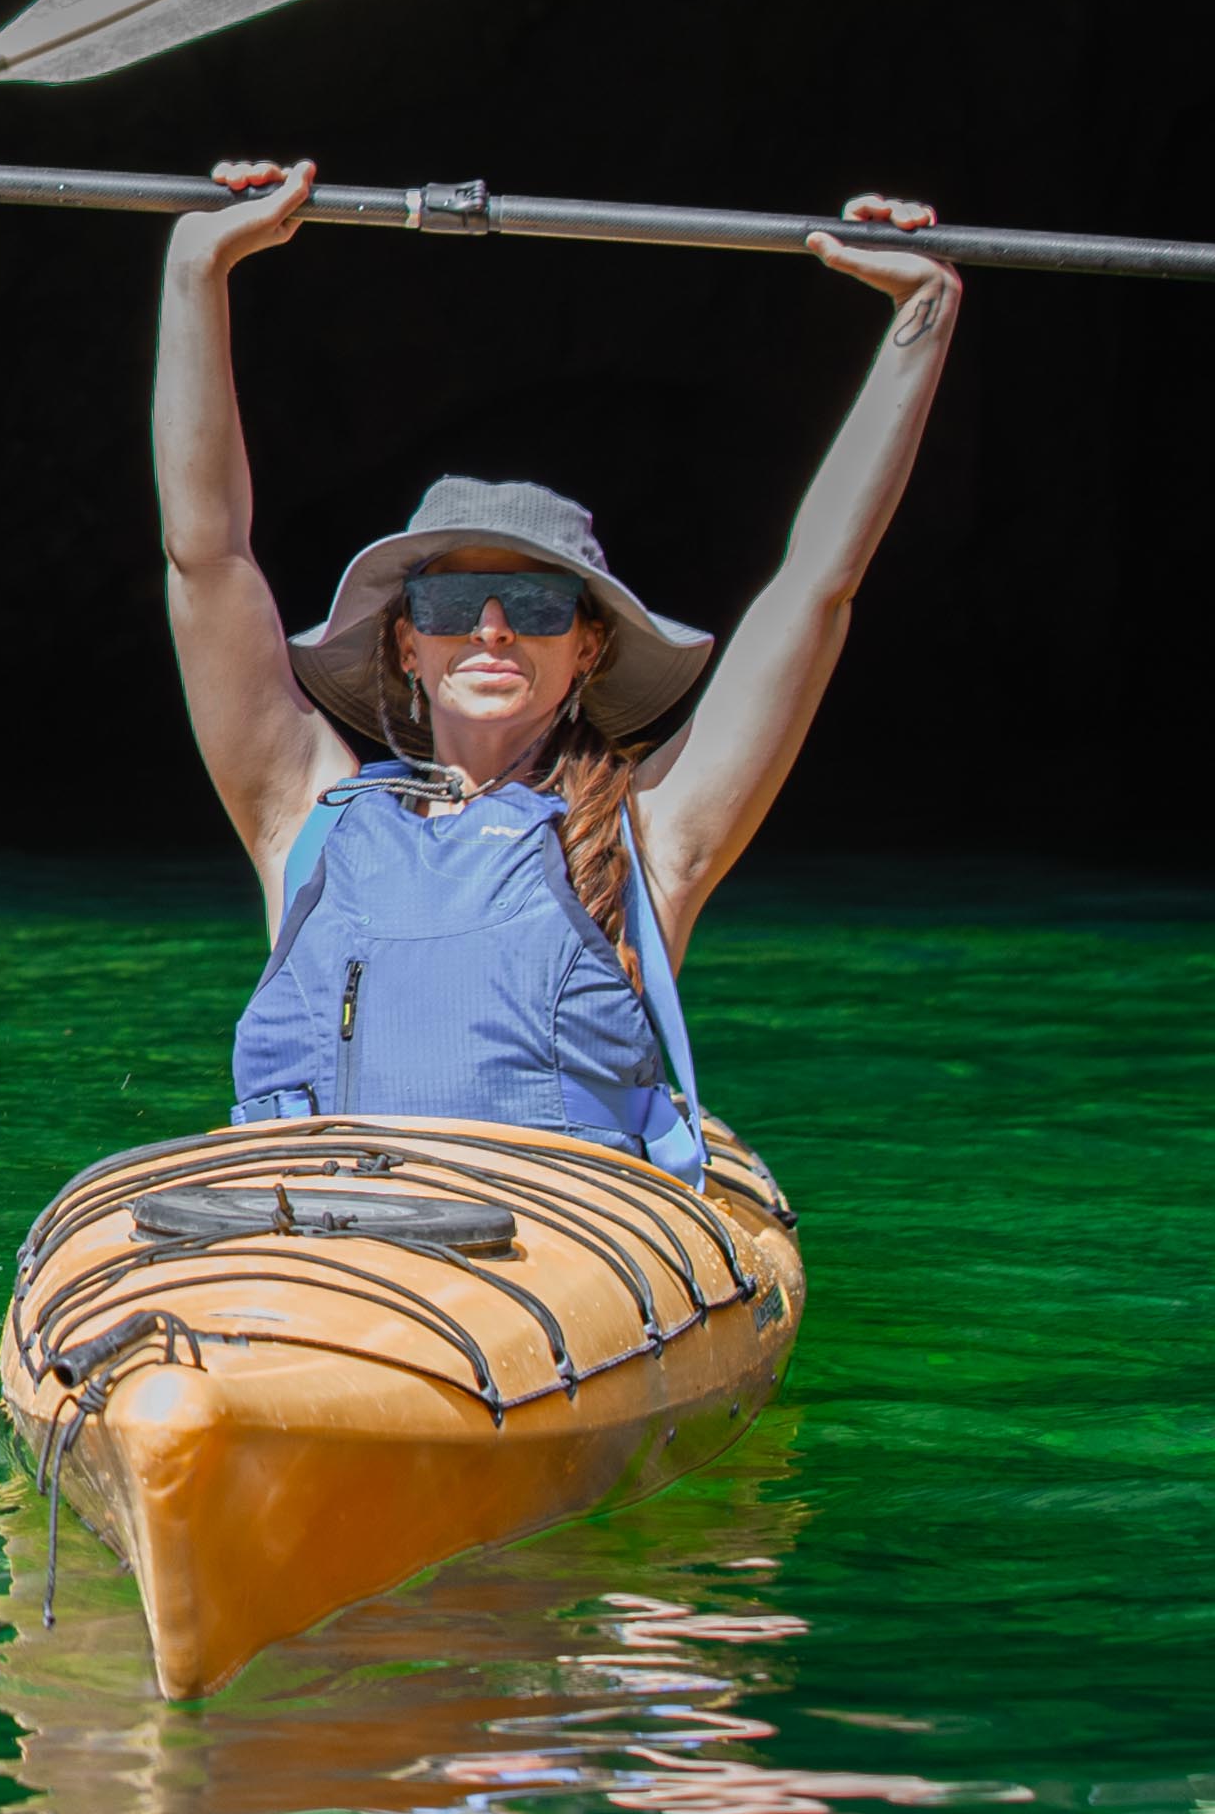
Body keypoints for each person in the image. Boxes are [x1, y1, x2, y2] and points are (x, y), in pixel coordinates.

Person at [150, 172, 961, 1177]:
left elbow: (814, 591)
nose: (490, 630)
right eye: (451, 607)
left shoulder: (649, 838)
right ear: (407, 643)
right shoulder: (300, 812)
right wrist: (196, 267)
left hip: (538, 1256)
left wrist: (919, 319)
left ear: (587, 646)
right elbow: (206, 558)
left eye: (533, 607)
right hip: (314, 1244)